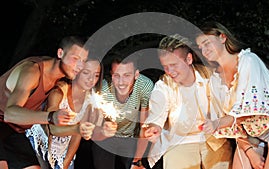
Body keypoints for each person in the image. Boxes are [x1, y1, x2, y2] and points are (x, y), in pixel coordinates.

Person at [195, 21, 269, 169]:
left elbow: (245, 111)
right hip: (250, 133)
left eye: (206, 43)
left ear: (222, 37)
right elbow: (234, 124)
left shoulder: (248, 61)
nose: (204, 50)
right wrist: (251, 153)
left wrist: (217, 123)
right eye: (200, 47)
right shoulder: (215, 80)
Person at [143, 34, 233, 169]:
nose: (169, 71)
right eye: (165, 66)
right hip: (179, 142)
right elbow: (157, 115)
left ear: (189, 59)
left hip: (214, 140)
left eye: (174, 65)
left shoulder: (212, 77)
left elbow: (230, 109)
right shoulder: (163, 85)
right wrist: (154, 128)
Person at [0, 35, 89, 169]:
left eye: (83, 61)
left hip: (14, 132)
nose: (79, 66)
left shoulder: (60, 82)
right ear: (60, 53)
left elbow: (54, 127)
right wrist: (50, 117)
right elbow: (10, 113)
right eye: (75, 59)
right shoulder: (32, 71)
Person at [26, 58, 117, 169]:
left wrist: (104, 131)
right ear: (77, 71)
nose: (91, 79)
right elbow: (53, 130)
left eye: (96, 75)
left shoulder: (90, 101)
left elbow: (76, 138)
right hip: (38, 145)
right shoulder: (58, 93)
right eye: (86, 73)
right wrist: (78, 129)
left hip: (62, 154)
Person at [81, 56, 154, 169]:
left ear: (136, 74)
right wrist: (104, 132)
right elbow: (94, 134)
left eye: (127, 75)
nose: (121, 82)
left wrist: (137, 161)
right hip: (105, 139)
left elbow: (144, 127)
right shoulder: (102, 90)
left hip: (131, 137)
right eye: (116, 75)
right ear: (111, 74)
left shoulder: (145, 86)